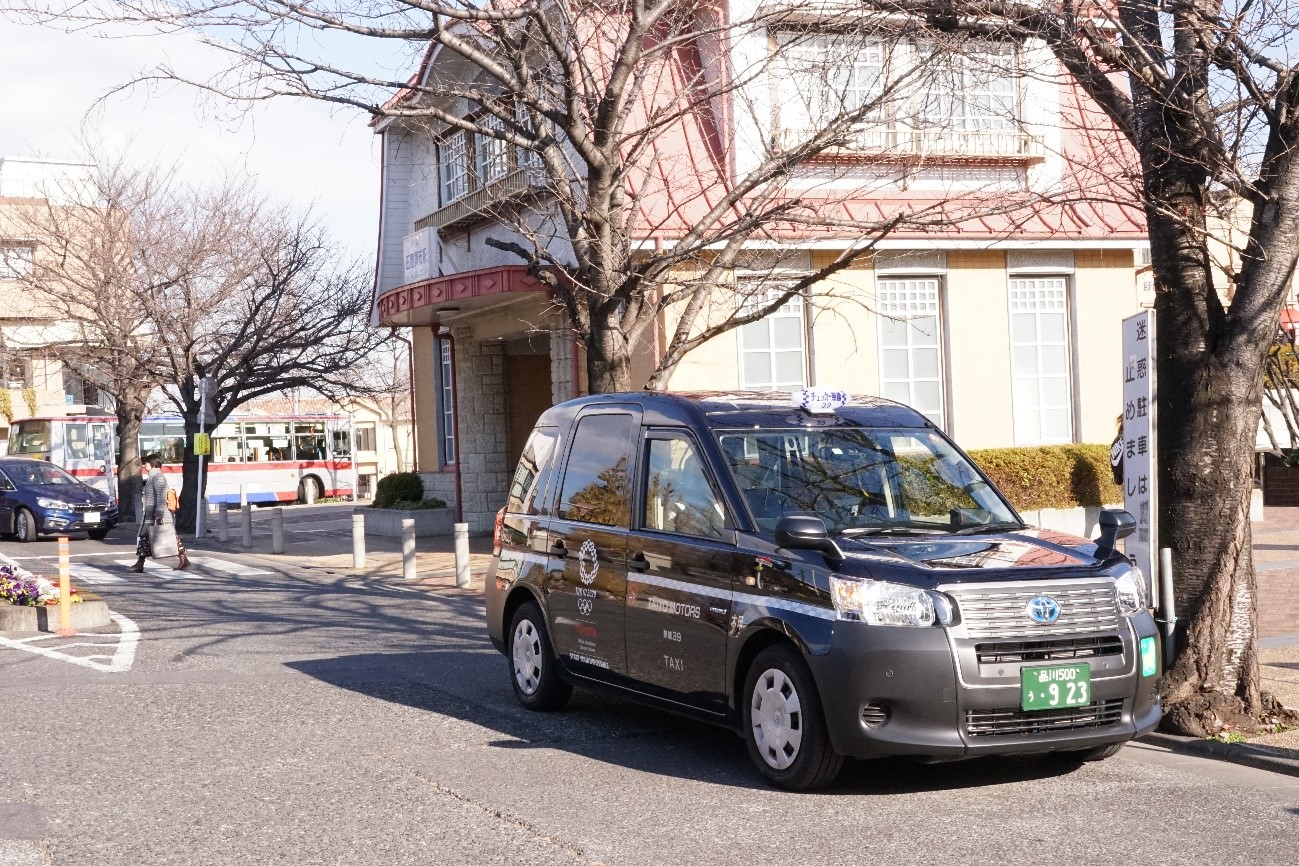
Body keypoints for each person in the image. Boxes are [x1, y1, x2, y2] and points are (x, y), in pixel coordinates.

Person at [130, 453, 189, 572]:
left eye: (146, 462)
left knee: (168, 537)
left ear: (152, 464)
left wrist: (159, 513)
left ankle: (183, 560)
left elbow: (162, 496)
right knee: (146, 538)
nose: (144, 465)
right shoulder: (153, 476)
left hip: (157, 514)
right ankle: (140, 563)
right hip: (152, 514)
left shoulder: (157, 477)